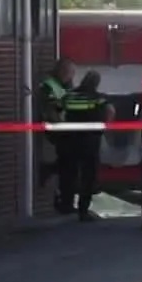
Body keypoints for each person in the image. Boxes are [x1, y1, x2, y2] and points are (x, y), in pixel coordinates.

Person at [59, 70, 111, 220]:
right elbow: (109, 111)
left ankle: (66, 204)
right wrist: (105, 127)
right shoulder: (98, 99)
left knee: (69, 173)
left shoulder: (69, 95)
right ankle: (83, 210)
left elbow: (58, 111)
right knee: (88, 176)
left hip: (69, 139)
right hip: (90, 141)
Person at [36, 57, 79, 194]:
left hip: (64, 127)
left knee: (70, 161)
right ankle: (50, 171)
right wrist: (61, 126)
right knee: (70, 161)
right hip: (57, 128)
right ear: (61, 71)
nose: (70, 77)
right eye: (69, 73)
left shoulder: (64, 85)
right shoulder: (49, 85)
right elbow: (49, 109)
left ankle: (52, 173)